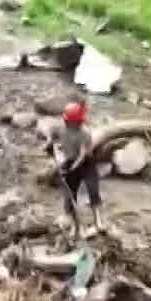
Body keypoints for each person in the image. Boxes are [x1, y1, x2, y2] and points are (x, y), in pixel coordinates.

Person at [52, 101, 103, 237]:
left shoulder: (85, 133)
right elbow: (56, 144)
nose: (69, 124)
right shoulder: (61, 129)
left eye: (71, 122)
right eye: (67, 121)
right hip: (69, 161)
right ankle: (75, 226)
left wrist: (72, 168)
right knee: (69, 196)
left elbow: (82, 155)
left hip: (86, 163)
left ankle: (98, 223)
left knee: (93, 191)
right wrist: (60, 160)